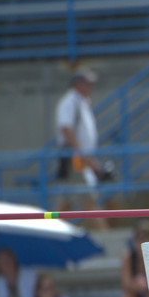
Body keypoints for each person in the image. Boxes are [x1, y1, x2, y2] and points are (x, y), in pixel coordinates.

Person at [54, 67, 106, 227]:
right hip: (74, 158)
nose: (90, 86)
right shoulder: (70, 102)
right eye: (87, 83)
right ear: (77, 84)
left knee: (66, 201)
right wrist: (81, 153)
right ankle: (106, 238)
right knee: (87, 199)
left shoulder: (81, 103)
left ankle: (51, 232)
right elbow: (65, 128)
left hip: (80, 157)